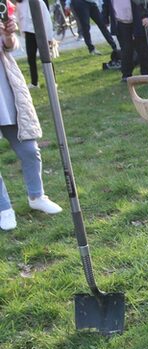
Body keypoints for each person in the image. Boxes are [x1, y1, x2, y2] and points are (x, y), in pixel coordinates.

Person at [0, 15, 62, 231]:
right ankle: (3, 208)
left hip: (5, 93)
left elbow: (9, 47)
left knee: (29, 149)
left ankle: (36, 196)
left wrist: (8, 35)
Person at [15, 0, 53, 88]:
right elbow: (20, 19)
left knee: (46, 57)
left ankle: (52, 81)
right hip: (29, 34)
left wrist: (49, 37)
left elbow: (46, 19)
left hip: (40, 31)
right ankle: (34, 82)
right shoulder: (20, 4)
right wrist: (22, 32)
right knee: (31, 59)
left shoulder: (38, 2)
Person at [113, 0, 148, 81]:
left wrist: (146, 15)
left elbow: (142, 3)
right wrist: (105, 17)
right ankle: (126, 74)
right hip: (121, 21)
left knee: (142, 47)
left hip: (137, 18)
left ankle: (146, 73)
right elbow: (107, 4)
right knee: (126, 48)